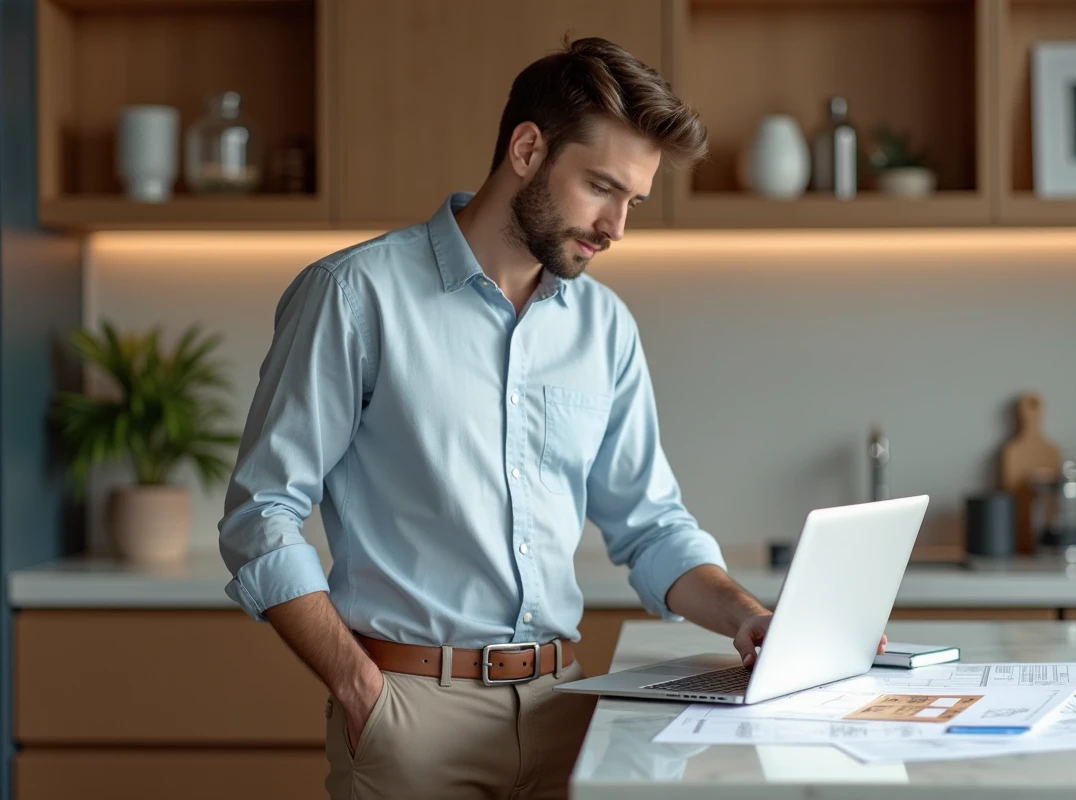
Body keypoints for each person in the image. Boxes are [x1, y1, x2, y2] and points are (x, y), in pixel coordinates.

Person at [217, 35, 885, 800]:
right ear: (527, 149)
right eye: (602, 188)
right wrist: (362, 690)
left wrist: (749, 616)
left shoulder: (603, 328)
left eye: (632, 200)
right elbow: (261, 513)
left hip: (567, 710)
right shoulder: (353, 296)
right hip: (409, 717)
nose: (617, 227)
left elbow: (652, 528)